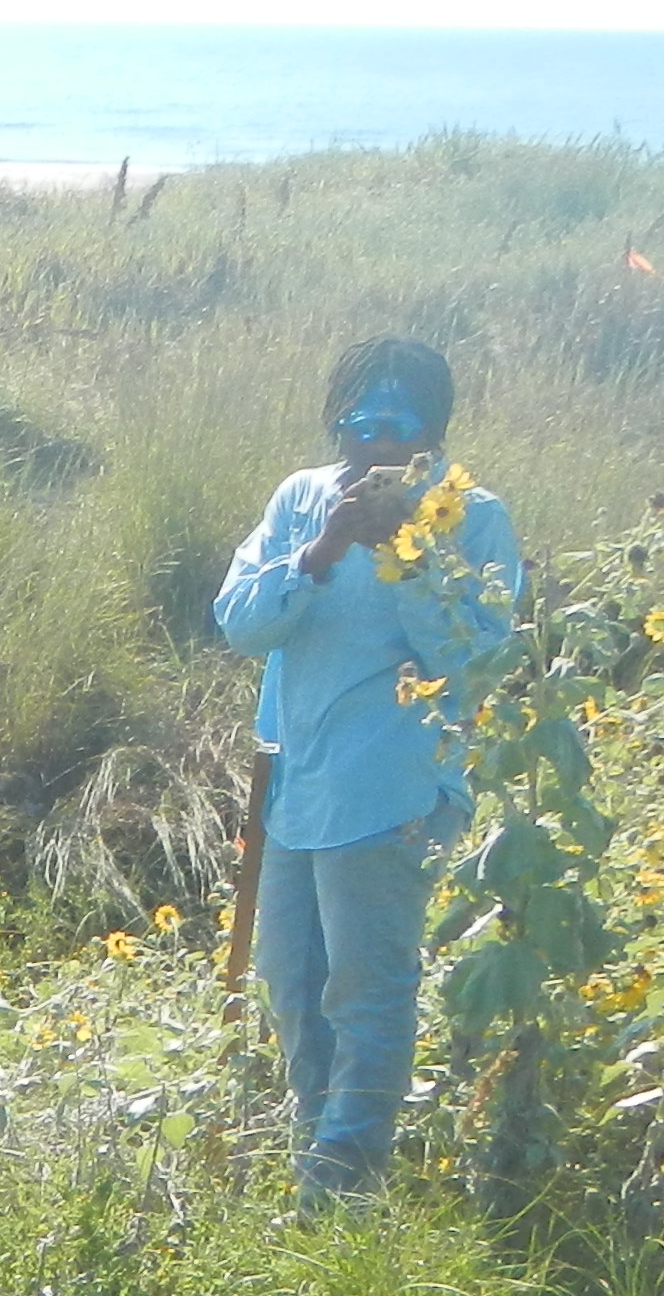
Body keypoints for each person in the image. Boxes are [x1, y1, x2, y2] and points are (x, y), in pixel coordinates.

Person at [210, 336, 527, 1199]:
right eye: (357, 422)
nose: (374, 445)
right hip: (297, 786)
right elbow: (240, 623)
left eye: (398, 425)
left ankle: (342, 1191)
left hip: (393, 790)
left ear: (433, 432)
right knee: (294, 986)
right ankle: (319, 1161)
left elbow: (475, 654)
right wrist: (318, 554)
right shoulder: (300, 499)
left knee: (366, 991)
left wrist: (413, 554)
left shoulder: (476, 515)